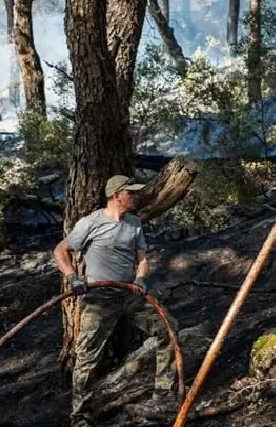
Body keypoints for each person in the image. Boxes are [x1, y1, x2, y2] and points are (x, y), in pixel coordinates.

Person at [53, 175, 178, 427]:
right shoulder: (91, 222)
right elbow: (60, 250)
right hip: (99, 301)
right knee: (87, 356)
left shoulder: (134, 223)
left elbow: (142, 259)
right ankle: (80, 417)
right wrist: (73, 278)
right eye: (131, 193)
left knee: (169, 328)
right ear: (116, 195)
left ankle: (163, 394)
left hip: (129, 295)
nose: (136, 196)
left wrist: (140, 279)